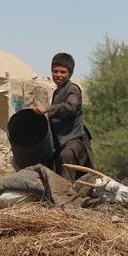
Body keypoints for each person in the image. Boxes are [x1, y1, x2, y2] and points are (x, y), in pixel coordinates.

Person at [35, 52, 95, 181]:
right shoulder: (57, 91)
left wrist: (48, 108)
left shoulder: (72, 89)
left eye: (63, 72)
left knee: (66, 156)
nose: (58, 75)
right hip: (61, 140)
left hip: (74, 138)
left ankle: (66, 195)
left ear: (70, 73)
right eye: (55, 71)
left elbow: (71, 107)